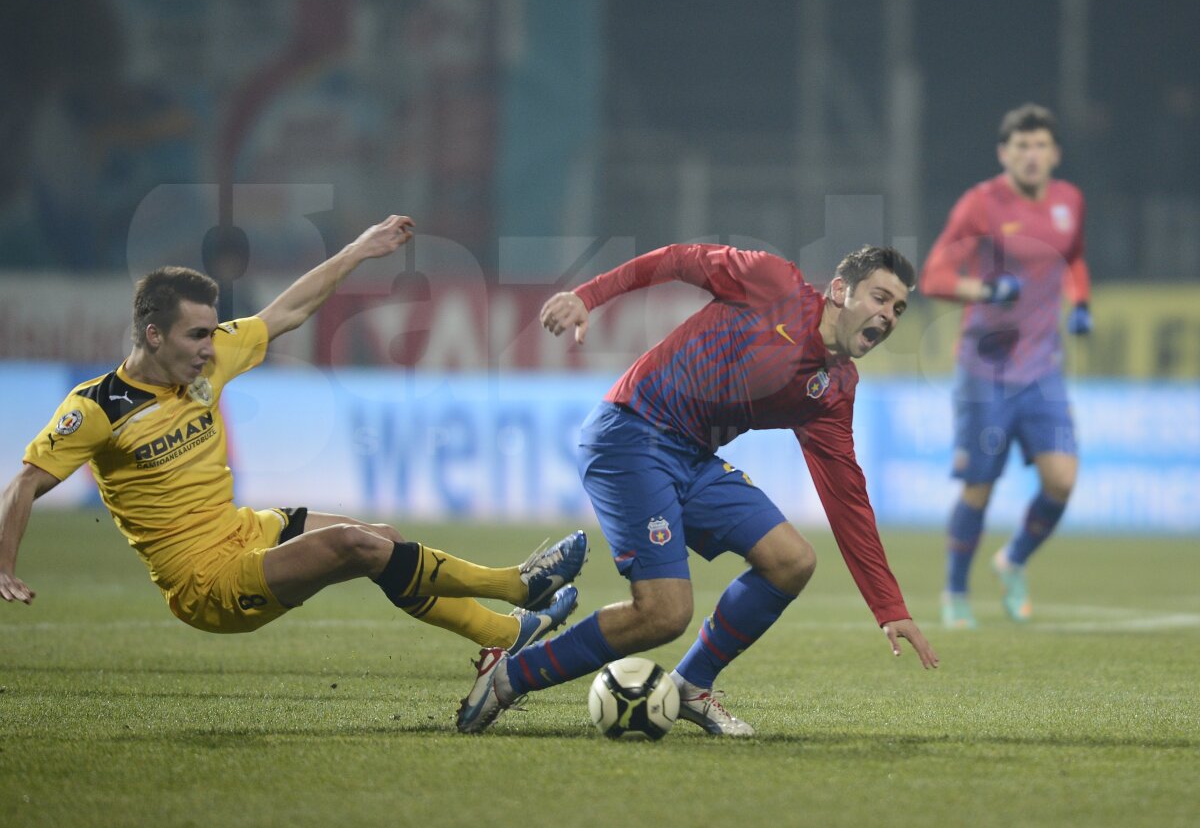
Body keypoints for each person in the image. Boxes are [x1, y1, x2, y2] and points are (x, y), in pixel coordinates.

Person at [0, 214, 588, 653]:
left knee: (381, 537)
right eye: (196, 336)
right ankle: (517, 587)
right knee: (356, 546)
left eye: (212, 333)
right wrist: (4, 566)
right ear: (153, 336)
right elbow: (24, 483)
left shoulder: (211, 361)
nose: (210, 348)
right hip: (206, 583)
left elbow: (287, 311)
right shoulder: (98, 407)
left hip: (243, 530)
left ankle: (502, 638)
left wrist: (357, 251)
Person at [456, 242, 939, 737]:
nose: (888, 315)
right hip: (631, 433)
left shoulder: (834, 388)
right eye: (880, 298)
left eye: (898, 308)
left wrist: (889, 608)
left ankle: (691, 685)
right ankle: (509, 676)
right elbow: (676, 259)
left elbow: (848, 499)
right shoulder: (775, 285)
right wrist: (589, 295)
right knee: (665, 613)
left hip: (691, 459)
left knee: (791, 561)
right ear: (840, 290)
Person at [919, 103, 1091, 629]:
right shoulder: (981, 204)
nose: (1031, 155)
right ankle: (954, 593)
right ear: (1004, 154)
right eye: (1020, 147)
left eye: (1040, 145)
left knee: (1062, 480)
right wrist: (986, 287)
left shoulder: (1069, 201)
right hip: (985, 369)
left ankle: (1012, 560)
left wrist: (1081, 301)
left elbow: (1075, 256)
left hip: (1042, 367)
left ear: (1054, 153)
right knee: (980, 487)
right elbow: (933, 276)